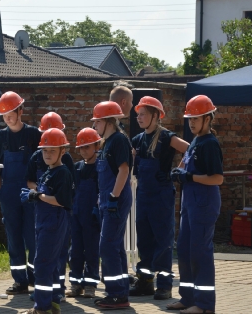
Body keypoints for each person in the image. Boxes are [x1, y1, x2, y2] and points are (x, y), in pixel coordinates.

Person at [167, 95, 223, 314]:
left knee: (200, 253)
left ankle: (205, 305)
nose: (191, 122)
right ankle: (188, 298)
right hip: (190, 203)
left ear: (208, 118)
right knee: (184, 250)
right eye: (190, 118)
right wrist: (179, 172)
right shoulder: (196, 141)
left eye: (196, 118)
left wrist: (189, 177)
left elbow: (217, 178)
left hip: (204, 204)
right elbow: (186, 165)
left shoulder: (210, 143)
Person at [129, 96, 189, 299]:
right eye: (138, 115)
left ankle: (164, 285)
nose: (139, 118)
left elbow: (189, 150)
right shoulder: (137, 140)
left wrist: (177, 171)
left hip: (162, 195)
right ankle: (145, 282)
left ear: (156, 116)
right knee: (144, 241)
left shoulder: (166, 137)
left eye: (143, 114)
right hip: (144, 195)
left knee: (163, 241)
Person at [0, 91, 41, 294]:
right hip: (8, 194)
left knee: (33, 236)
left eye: (11, 113)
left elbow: (43, 163)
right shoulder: (0, 137)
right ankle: (20, 281)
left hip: (30, 194)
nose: (8, 118)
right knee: (14, 238)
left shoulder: (34, 134)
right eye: (4, 115)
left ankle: (36, 278)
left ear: (20, 111)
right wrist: (0, 191)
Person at [19, 128, 74, 314]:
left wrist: (38, 196)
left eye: (52, 150)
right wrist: (34, 195)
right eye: (44, 150)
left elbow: (62, 200)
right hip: (43, 223)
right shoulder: (49, 172)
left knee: (42, 266)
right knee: (49, 266)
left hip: (54, 223)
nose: (47, 154)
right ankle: (53, 305)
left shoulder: (62, 173)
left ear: (62, 151)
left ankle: (42, 308)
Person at [91, 101, 133, 309]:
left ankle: (116, 293)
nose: (94, 126)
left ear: (108, 121)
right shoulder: (107, 141)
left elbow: (123, 170)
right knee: (114, 246)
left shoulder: (118, 141)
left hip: (116, 200)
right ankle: (120, 290)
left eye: (97, 122)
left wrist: (114, 198)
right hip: (108, 200)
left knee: (107, 246)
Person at [66, 127, 101, 299]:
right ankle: (75, 284)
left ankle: (90, 285)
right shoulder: (76, 168)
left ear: (96, 146)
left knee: (92, 250)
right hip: (76, 214)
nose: (84, 150)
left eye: (87, 146)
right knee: (76, 251)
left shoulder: (100, 167)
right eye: (81, 147)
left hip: (92, 216)